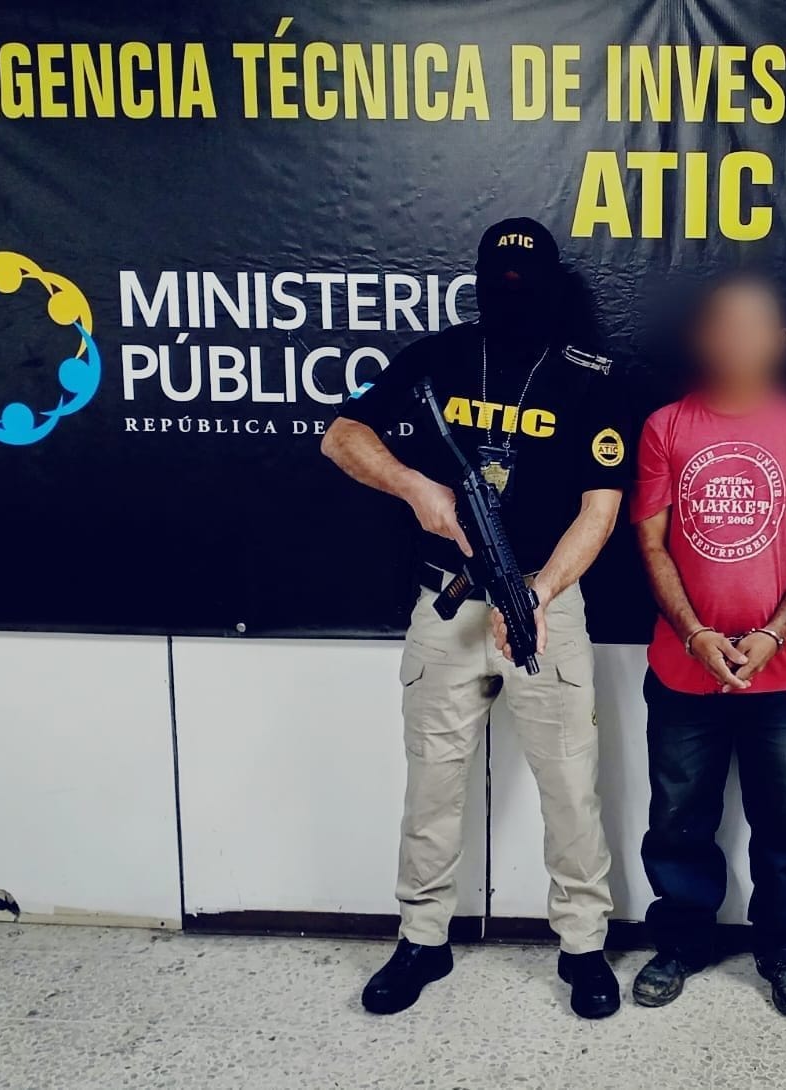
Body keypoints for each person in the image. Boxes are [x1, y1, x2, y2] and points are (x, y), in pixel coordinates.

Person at [321, 218, 627, 1020]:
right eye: (499, 280)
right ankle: (422, 938)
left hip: (545, 606)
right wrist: (415, 488)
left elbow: (600, 510)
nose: (511, 294)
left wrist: (542, 591)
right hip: (447, 605)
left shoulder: (589, 375)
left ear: (552, 287)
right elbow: (341, 437)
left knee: (570, 787)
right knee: (433, 782)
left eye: (526, 282)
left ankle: (583, 946)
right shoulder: (438, 358)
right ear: (480, 281)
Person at [628, 274, 786, 1018]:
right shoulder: (665, 427)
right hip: (681, 668)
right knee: (678, 820)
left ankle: (783, 952)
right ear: (702, 338)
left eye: (754, 327)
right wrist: (695, 633)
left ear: (779, 341)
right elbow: (650, 543)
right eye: (724, 325)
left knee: (783, 826)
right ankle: (682, 943)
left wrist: (773, 633)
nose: (738, 341)